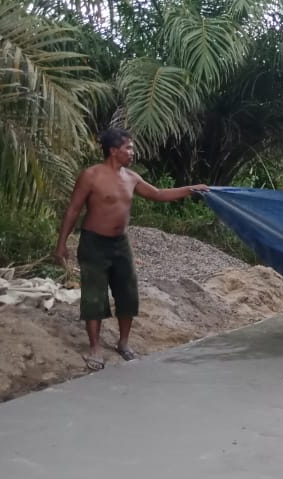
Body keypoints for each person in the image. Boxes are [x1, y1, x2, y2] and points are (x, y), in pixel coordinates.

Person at [54, 128, 210, 371]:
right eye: (128, 148)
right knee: (94, 296)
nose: (132, 153)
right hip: (94, 243)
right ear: (114, 150)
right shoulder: (91, 176)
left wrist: (190, 189)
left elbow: (158, 194)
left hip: (121, 244)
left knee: (128, 295)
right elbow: (73, 209)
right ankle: (95, 347)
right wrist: (62, 244)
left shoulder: (132, 178)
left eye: (132, 148)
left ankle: (123, 343)